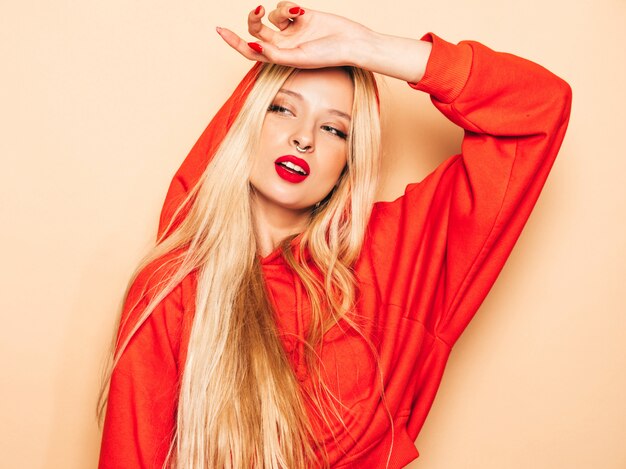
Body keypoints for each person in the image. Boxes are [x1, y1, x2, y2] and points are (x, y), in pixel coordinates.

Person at [97, 3, 572, 468]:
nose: (304, 138)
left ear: (352, 157)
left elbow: (538, 109)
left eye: (334, 129)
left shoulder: (396, 257)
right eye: (283, 109)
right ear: (244, 122)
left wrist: (366, 47)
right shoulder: (173, 288)